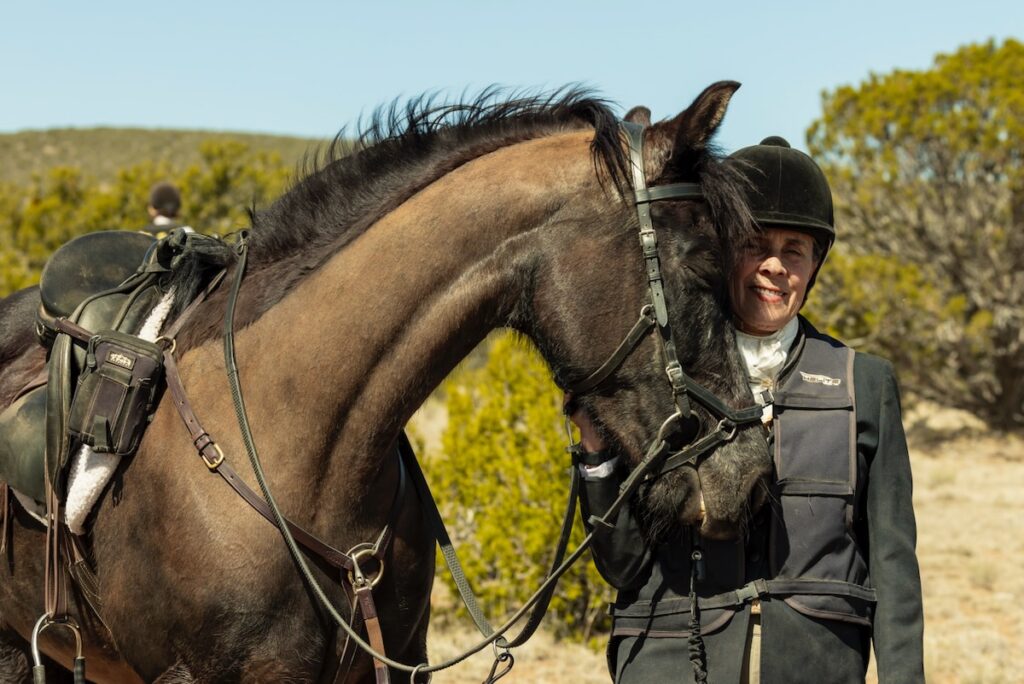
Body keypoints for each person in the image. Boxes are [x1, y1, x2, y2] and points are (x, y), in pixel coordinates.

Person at [570, 137, 924, 683]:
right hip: (675, 661)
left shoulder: (866, 382)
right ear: (722, 253)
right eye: (756, 245)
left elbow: (895, 568)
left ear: (814, 266)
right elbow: (621, 567)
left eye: (795, 249)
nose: (775, 266)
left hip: (819, 665)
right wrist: (595, 455)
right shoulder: (661, 382)